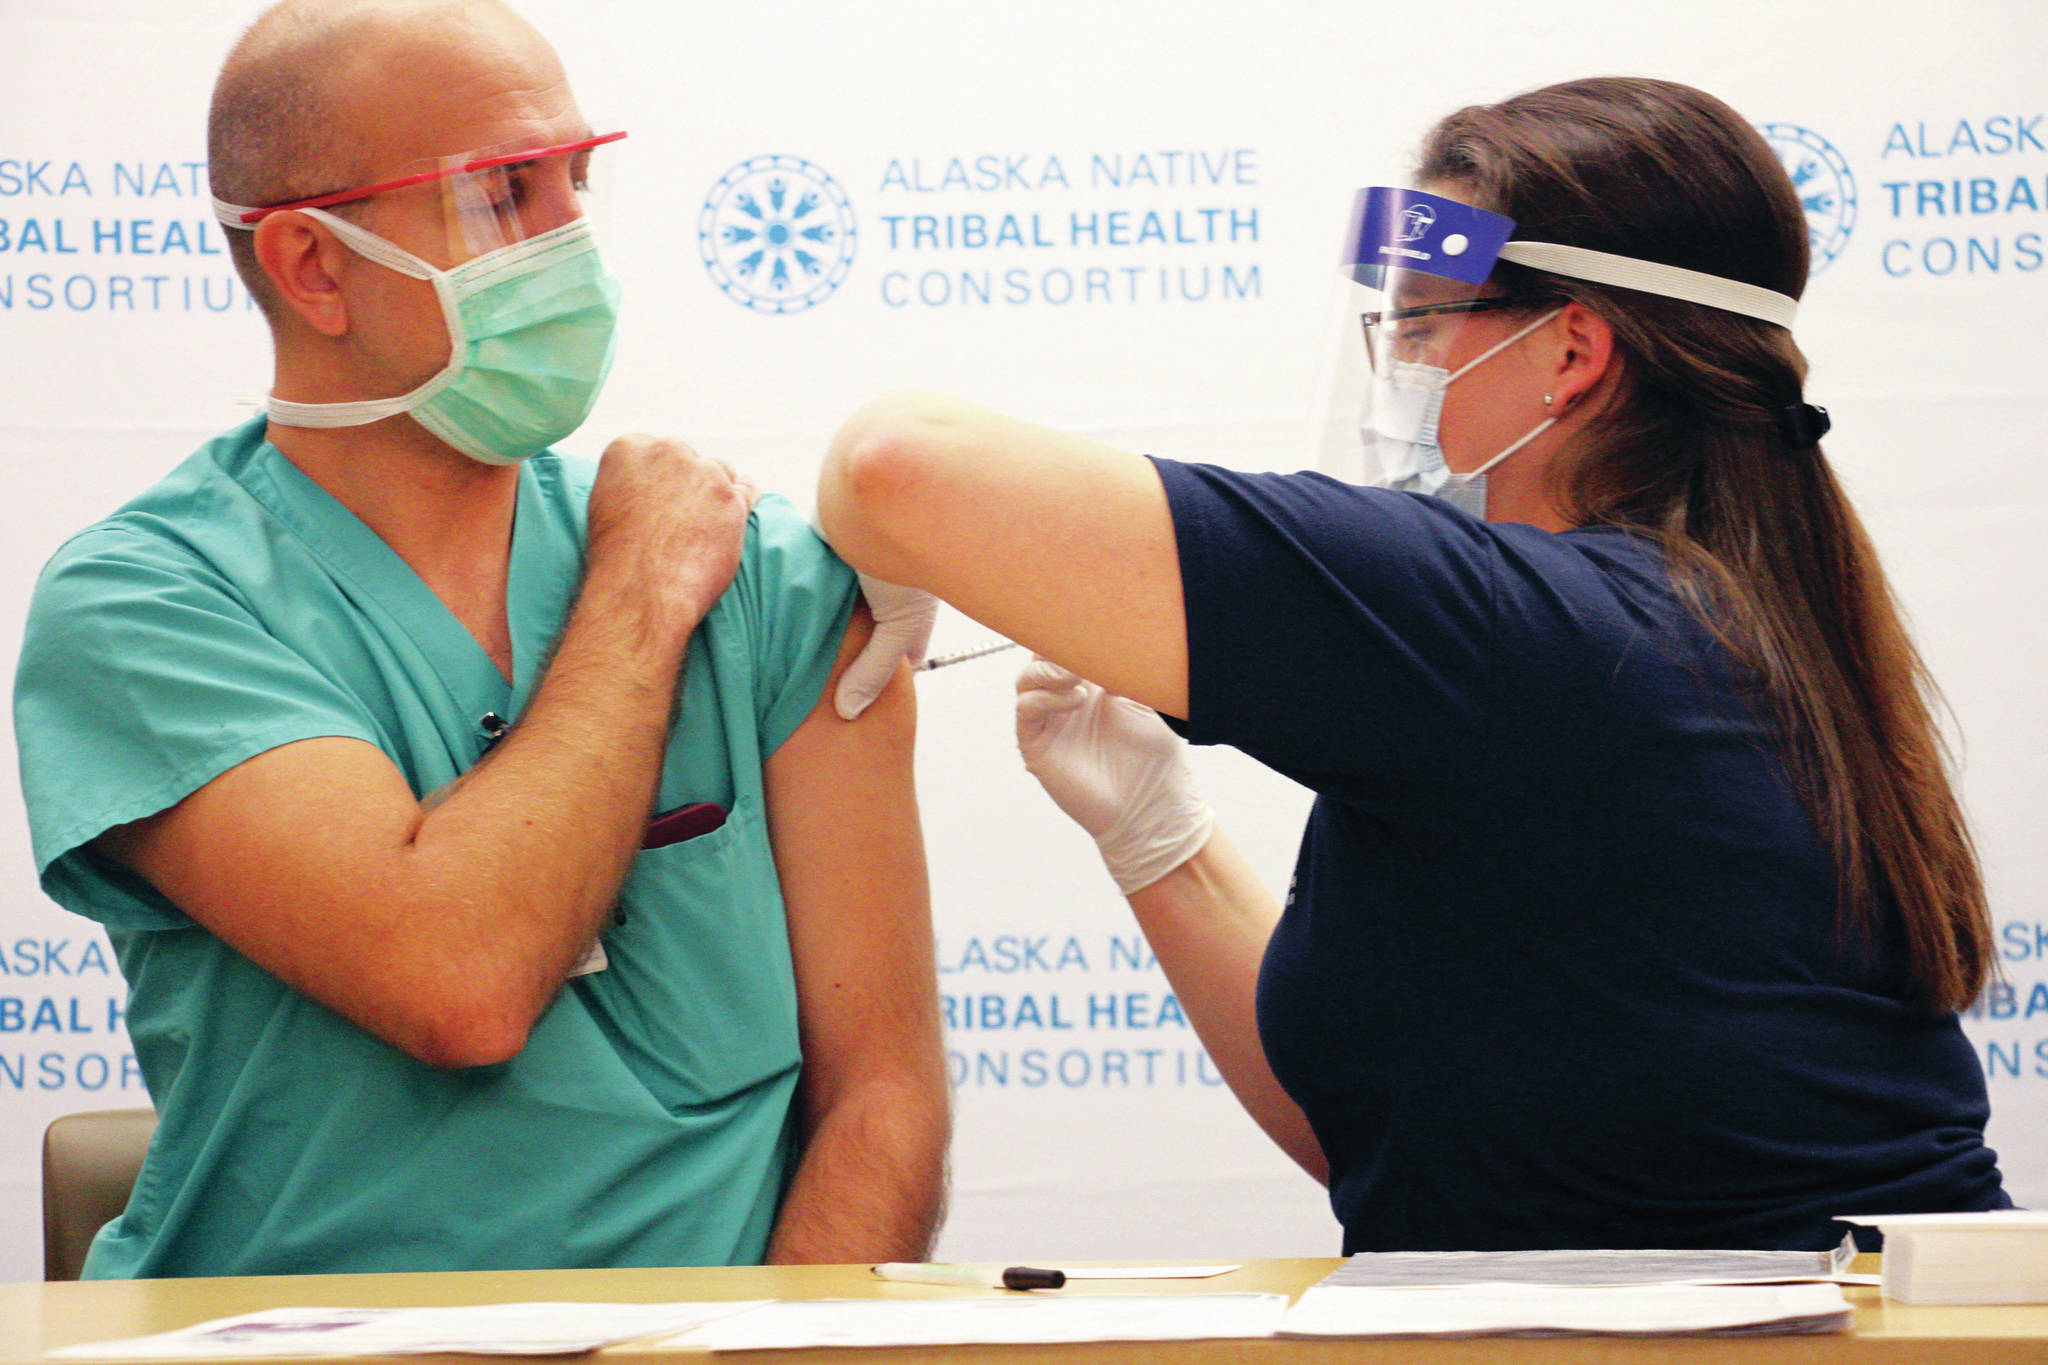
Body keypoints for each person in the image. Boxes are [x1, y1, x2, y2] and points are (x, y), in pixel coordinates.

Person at [815, 77, 2009, 1252]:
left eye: (1424, 325)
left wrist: (899, 548)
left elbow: (894, 464)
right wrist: (1156, 840)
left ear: (1570, 353)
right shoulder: (1722, 624)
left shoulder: (1532, 628)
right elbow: (1386, 1144)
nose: (1398, 371)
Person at [14, 0, 947, 1278]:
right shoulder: (149, 606)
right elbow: (457, 974)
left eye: (578, 177)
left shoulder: (766, 579)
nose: (574, 246)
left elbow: (882, 1101)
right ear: (312, 264)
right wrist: (639, 590)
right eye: (503, 193)